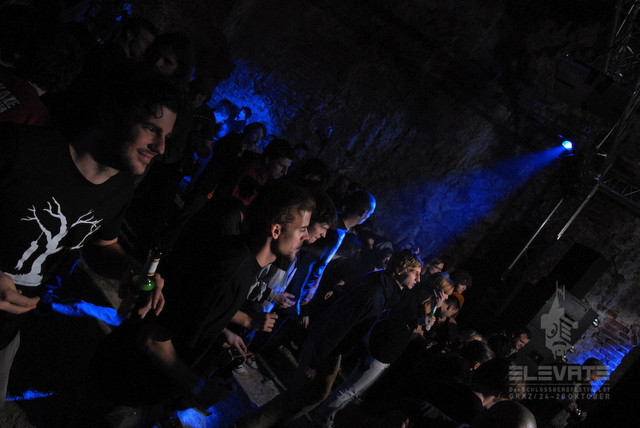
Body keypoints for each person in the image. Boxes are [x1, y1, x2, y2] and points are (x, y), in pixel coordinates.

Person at [0, 72, 180, 408]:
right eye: (151, 129)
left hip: (7, 331)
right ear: (113, 114)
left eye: (166, 136)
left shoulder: (119, 187)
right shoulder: (22, 149)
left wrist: (130, 270)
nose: (160, 148)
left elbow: (102, 246)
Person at [80, 180, 315, 425]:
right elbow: (153, 340)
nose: (307, 237)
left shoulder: (240, 261)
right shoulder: (230, 269)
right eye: (302, 229)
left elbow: (187, 305)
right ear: (276, 230)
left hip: (134, 383)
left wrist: (220, 330)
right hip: (125, 385)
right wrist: (200, 387)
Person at [236, 249, 422, 427]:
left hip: (333, 347)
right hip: (326, 343)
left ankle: (273, 422)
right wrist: (315, 361)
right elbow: (339, 324)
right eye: (415, 273)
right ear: (400, 270)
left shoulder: (384, 289)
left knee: (317, 393)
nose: (418, 279)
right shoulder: (375, 293)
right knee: (296, 396)